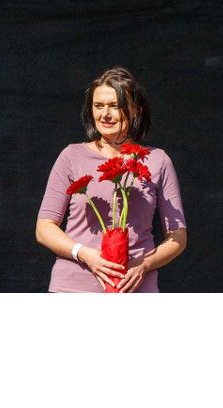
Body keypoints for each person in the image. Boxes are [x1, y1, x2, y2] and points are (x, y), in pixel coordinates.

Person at [36, 66, 187, 292]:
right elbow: (44, 228)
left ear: (135, 110)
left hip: (135, 287)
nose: (105, 114)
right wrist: (83, 253)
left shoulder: (158, 160)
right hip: (74, 287)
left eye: (114, 106)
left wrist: (144, 264)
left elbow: (178, 236)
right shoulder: (71, 156)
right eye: (98, 106)